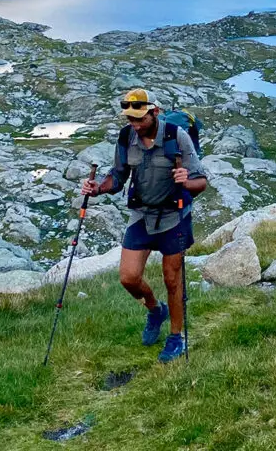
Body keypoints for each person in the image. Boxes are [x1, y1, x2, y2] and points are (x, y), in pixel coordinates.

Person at [82, 89, 207, 363]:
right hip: (141, 215)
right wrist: (97, 189)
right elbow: (117, 176)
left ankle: (176, 337)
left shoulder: (177, 137)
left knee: (172, 280)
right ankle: (155, 310)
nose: (135, 125)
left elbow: (201, 182)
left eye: (140, 119)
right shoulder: (127, 137)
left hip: (174, 216)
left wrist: (186, 182)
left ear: (155, 112)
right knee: (128, 277)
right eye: (130, 119)